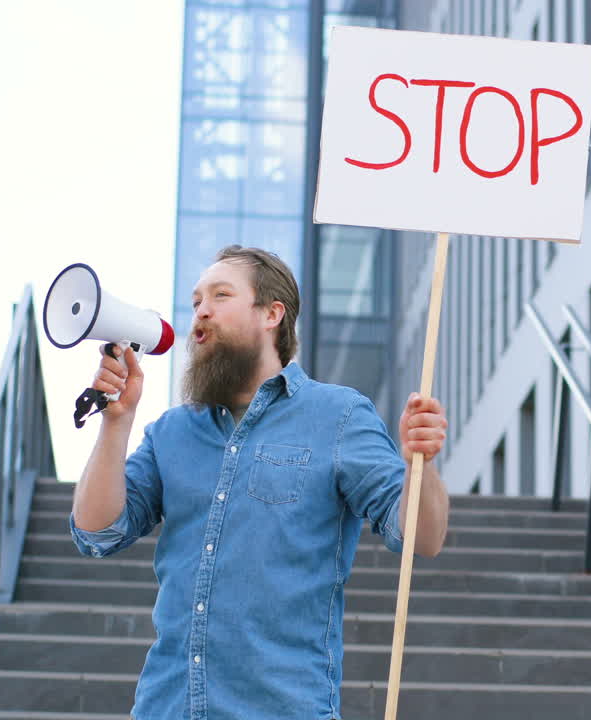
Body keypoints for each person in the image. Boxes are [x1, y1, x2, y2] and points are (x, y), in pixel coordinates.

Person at [69, 245, 450, 720]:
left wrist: (421, 466)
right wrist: (116, 423)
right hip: (167, 708)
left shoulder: (340, 415)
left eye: (220, 295)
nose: (201, 310)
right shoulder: (171, 431)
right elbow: (96, 533)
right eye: (195, 301)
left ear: (272, 313)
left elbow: (422, 538)